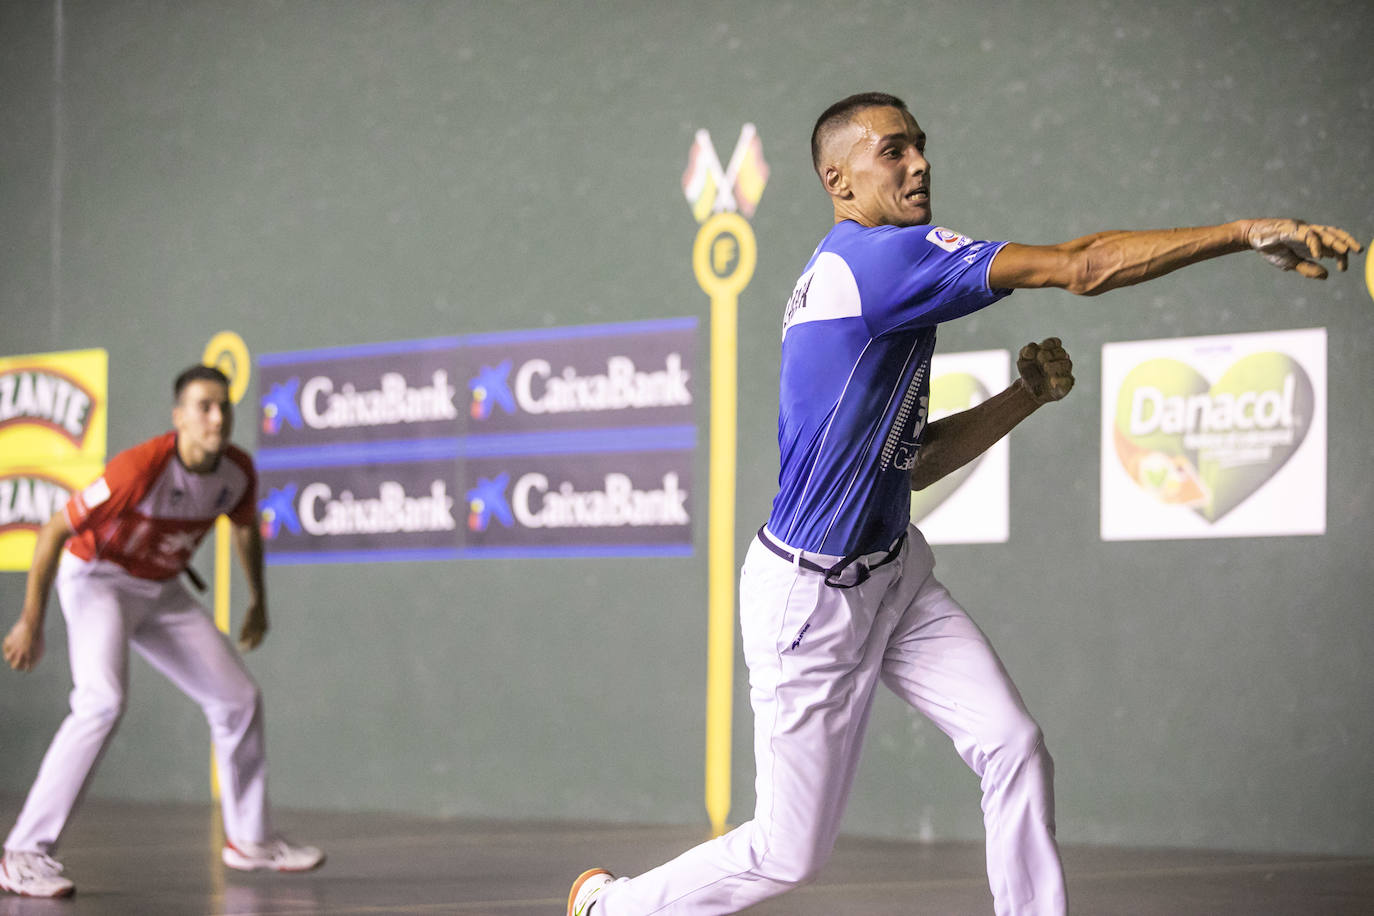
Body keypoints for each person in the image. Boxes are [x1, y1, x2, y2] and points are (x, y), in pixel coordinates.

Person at [568, 92, 1361, 916]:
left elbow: (912, 463)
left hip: (894, 573)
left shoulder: (873, 270)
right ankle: (609, 907)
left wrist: (1021, 396)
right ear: (839, 179)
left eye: (920, 146)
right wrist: (1244, 233)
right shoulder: (882, 263)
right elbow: (1083, 266)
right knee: (788, 853)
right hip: (809, 600)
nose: (919, 163)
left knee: (1013, 745)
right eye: (893, 151)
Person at [1, 365, 324, 899]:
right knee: (101, 701)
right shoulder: (141, 468)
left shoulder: (236, 472)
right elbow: (57, 529)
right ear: (179, 417)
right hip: (97, 581)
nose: (216, 417)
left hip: (159, 589)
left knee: (238, 698)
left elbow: (245, 531)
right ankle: (24, 852)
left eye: (224, 406)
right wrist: (30, 620)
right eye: (204, 406)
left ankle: (251, 840)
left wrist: (258, 601)